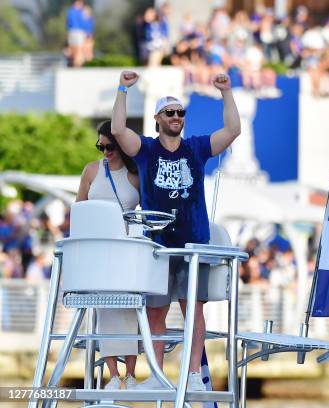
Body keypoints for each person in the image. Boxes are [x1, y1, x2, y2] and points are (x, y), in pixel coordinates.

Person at [111, 70, 240, 391]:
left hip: (193, 244)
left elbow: (233, 130)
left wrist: (226, 92)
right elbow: (117, 130)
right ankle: (156, 375)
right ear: (157, 118)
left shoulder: (196, 147)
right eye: (169, 112)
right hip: (157, 245)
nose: (176, 117)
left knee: (193, 311)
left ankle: (194, 375)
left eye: (181, 112)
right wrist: (123, 90)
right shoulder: (146, 149)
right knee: (156, 313)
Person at [75, 120, 140, 390]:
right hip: (97, 250)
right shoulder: (91, 170)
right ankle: (113, 375)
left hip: (125, 249)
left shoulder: (135, 175)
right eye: (100, 146)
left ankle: (132, 375)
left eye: (110, 146)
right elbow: (79, 208)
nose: (105, 152)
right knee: (105, 311)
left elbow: (147, 216)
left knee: (129, 310)